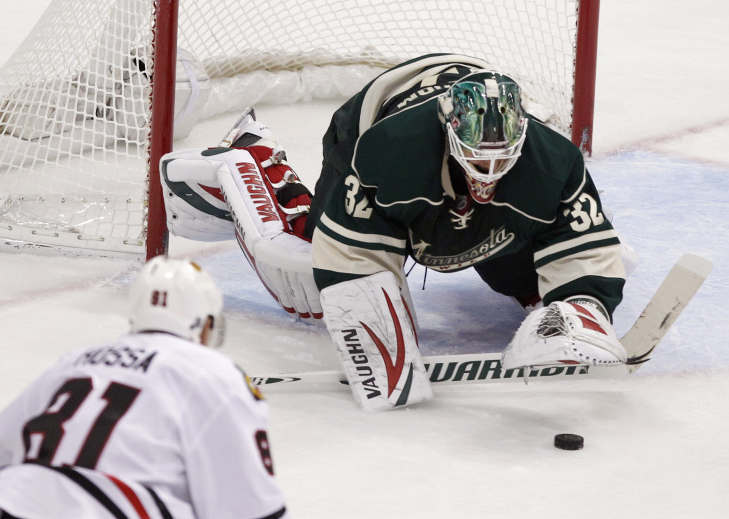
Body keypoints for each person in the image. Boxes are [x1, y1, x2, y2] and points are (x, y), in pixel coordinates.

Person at [158, 53, 637, 412]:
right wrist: (378, 329)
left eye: (501, 161)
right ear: (449, 134)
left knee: (527, 248)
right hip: (373, 116)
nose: (487, 176)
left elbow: (583, 247)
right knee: (304, 276)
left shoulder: (552, 160)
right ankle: (250, 158)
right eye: (478, 162)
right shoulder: (387, 153)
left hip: (455, 132)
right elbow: (349, 260)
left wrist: (579, 303)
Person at [0, 257, 290, 519]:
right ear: (205, 324)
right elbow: (250, 508)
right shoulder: (215, 375)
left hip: (20, 504)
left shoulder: (75, 362)